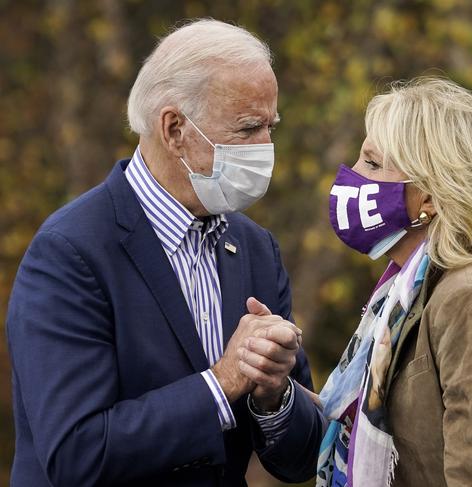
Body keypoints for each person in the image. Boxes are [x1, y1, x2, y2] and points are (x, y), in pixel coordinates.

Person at [6, 19, 324, 486]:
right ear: (174, 129)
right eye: (249, 127)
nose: (266, 148)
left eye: (270, 126)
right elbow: (76, 454)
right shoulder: (69, 252)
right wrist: (223, 382)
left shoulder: (255, 248)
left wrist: (273, 395)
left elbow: (299, 460)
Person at [319, 77, 472, 486]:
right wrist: (275, 392)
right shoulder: (407, 295)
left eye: (372, 163)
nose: (351, 176)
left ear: (430, 197)